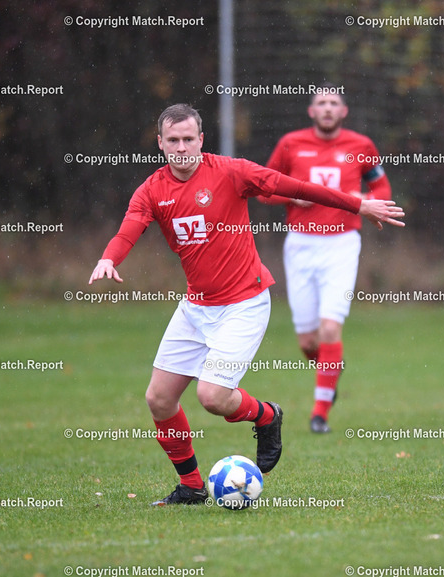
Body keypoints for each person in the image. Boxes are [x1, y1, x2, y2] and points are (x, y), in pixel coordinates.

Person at [88, 103, 404, 505]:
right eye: (173, 140)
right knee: (159, 399)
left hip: (244, 303)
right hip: (196, 308)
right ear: (161, 143)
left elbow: (296, 187)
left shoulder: (231, 172)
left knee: (213, 398)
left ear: (201, 140)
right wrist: (109, 259)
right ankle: (191, 487)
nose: (182, 147)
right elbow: (128, 230)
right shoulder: (152, 190)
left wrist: (358, 204)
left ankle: (267, 416)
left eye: (189, 139)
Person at [263, 84, 394, 434]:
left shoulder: (361, 146)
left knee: (330, 328)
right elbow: (264, 189)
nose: (327, 108)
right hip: (300, 245)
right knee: (308, 342)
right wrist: (292, 196)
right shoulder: (291, 143)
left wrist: (362, 198)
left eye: (334, 103)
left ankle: (320, 413)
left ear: (343, 111)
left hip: (342, 244)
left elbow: (382, 189)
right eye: (321, 102)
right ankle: (330, 370)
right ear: (311, 111)